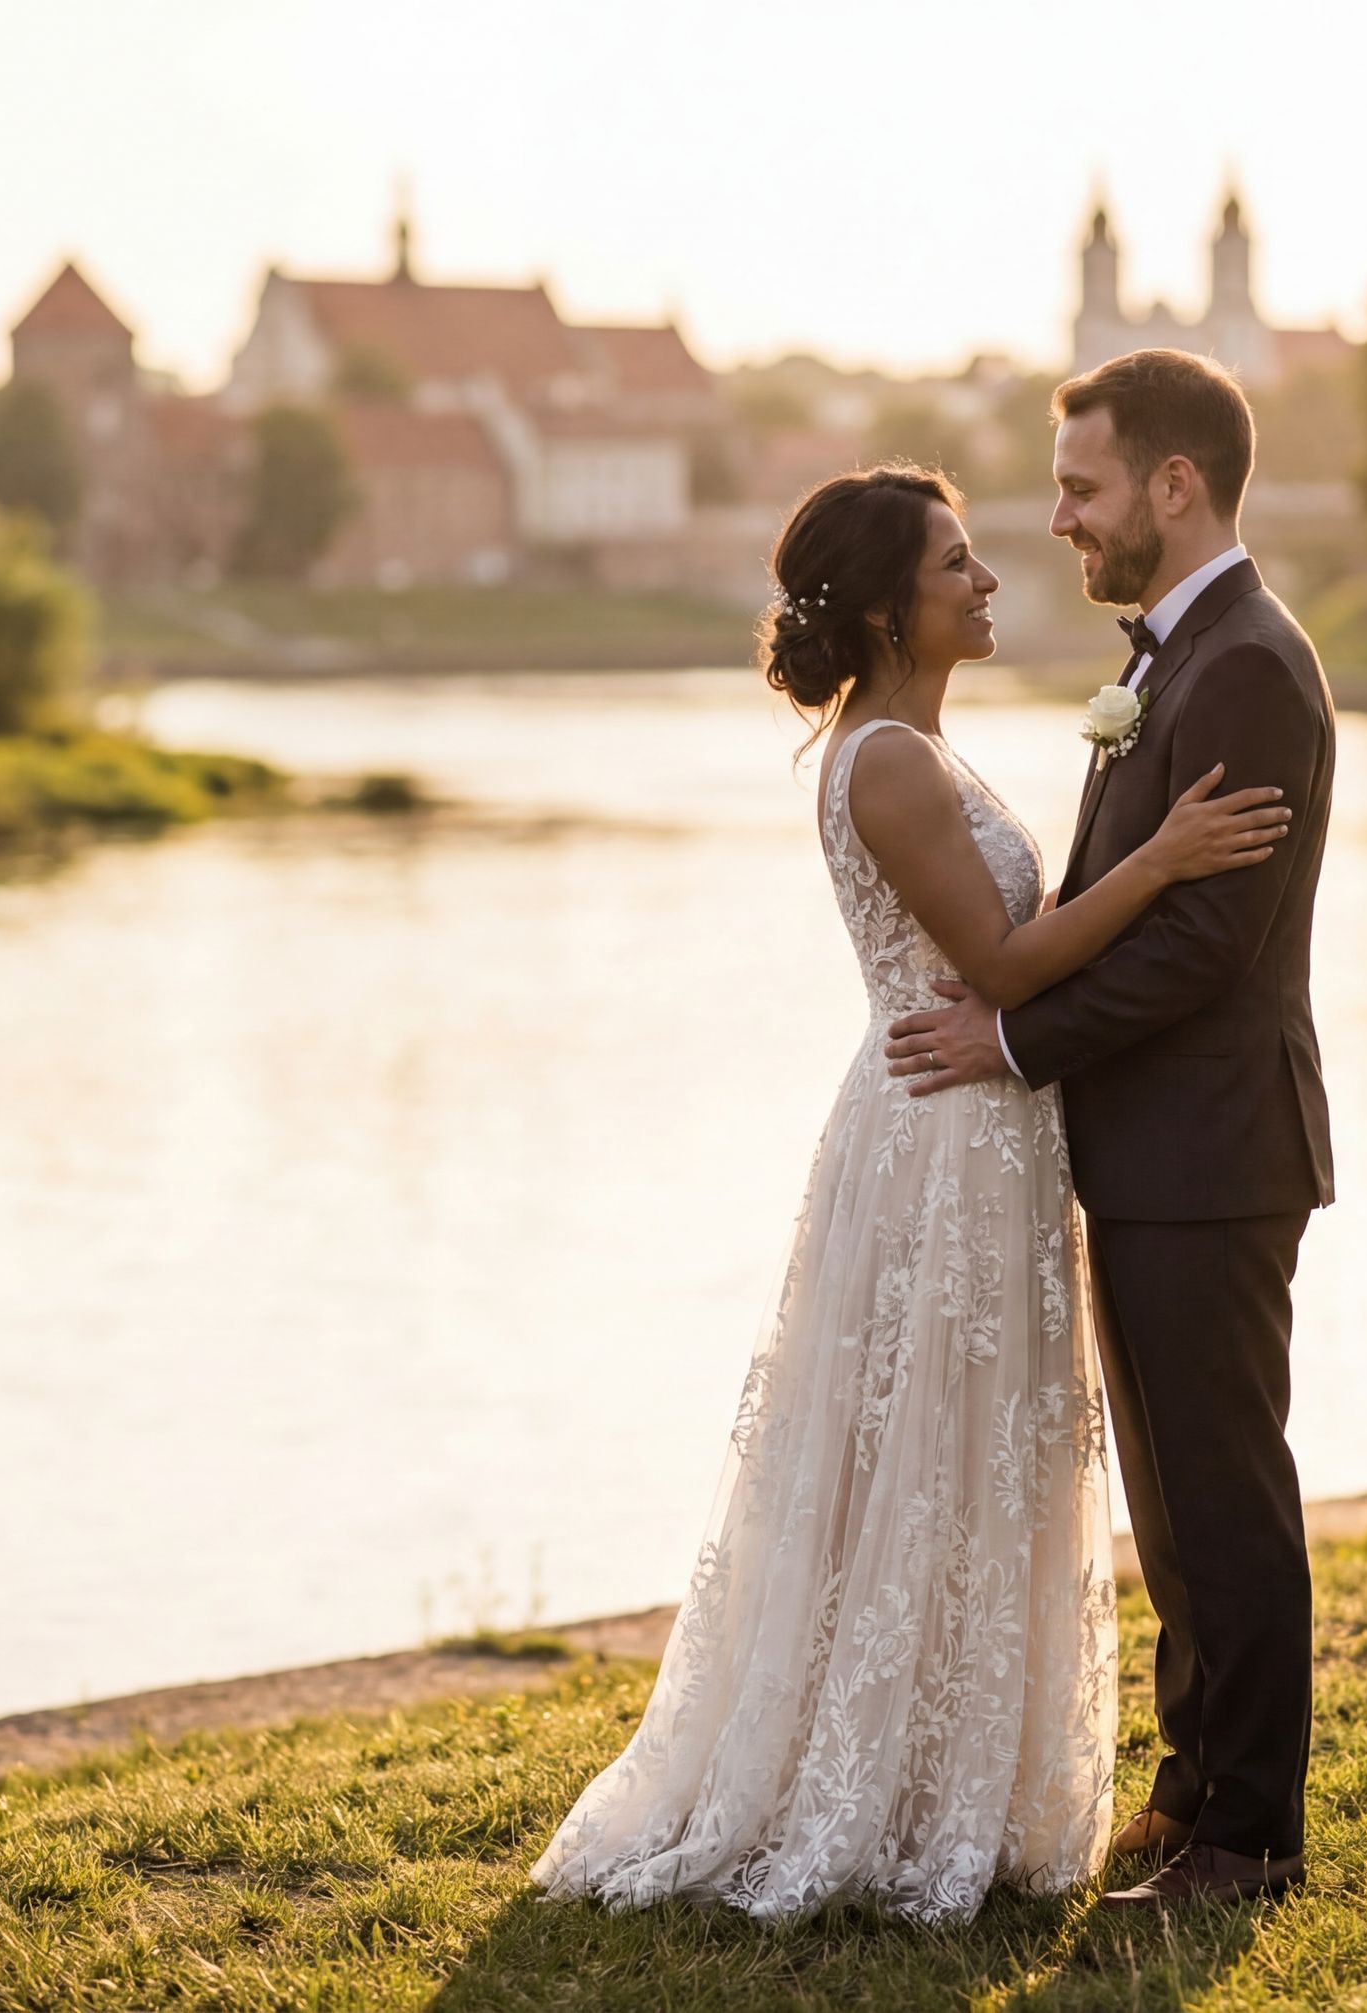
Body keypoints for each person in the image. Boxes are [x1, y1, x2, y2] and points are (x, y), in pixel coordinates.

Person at [530, 463, 1292, 1924]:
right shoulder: (883, 759)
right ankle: (876, 1786)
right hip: (942, 1139)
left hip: (981, 1126)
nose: (990, 578)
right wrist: (1169, 858)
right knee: (924, 1455)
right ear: (888, 607)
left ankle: (955, 1771)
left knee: (970, 1457)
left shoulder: (920, 745)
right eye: (957, 565)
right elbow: (1005, 970)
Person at [885, 349, 1337, 1909]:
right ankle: (1193, 1783)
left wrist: (1009, 1038)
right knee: (1171, 1498)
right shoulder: (1169, 660)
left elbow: (1202, 947)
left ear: (1173, 483)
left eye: (1082, 487)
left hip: (1215, 1151)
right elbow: (1120, 897)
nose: (1061, 519)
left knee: (1225, 1490)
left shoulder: (1247, 669)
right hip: (1153, 1150)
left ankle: (1251, 1838)